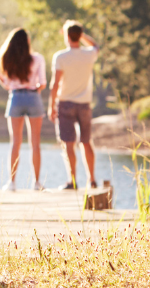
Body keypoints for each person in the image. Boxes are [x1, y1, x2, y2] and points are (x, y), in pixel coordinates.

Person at [0, 28, 47, 191]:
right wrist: (33, 89)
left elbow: (7, 84)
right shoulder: (37, 58)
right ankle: (36, 183)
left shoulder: (8, 59)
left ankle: (12, 183)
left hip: (16, 98)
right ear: (28, 42)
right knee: (35, 143)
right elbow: (43, 84)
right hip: (33, 97)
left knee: (15, 143)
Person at [48, 20, 99, 190]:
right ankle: (91, 180)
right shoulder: (89, 55)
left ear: (67, 36)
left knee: (68, 143)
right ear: (78, 36)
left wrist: (51, 105)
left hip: (66, 103)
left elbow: (55, 84)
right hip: (84, 104)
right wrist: (81, 33)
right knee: (86, 142)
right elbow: (95, 45)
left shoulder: (61, 57)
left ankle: (73, 181)